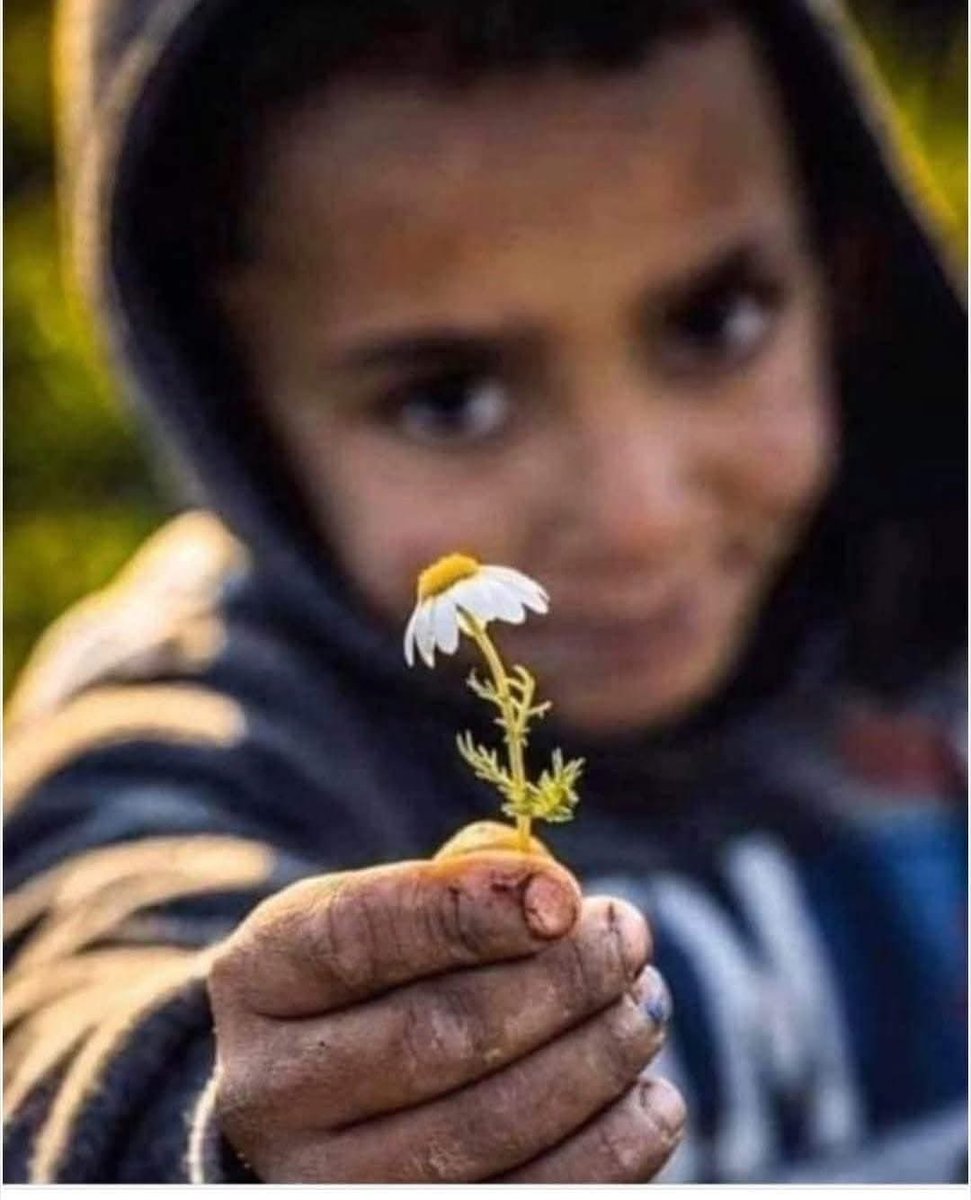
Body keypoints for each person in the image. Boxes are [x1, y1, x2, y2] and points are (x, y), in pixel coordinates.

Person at [3, 0, 965, 1184]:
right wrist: (231, 1122)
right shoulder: (203, 728)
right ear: (236, 413)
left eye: (715, 321)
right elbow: (71, 1005)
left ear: (843, 274)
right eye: (449, 397)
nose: (635, 514)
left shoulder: (930, 600)